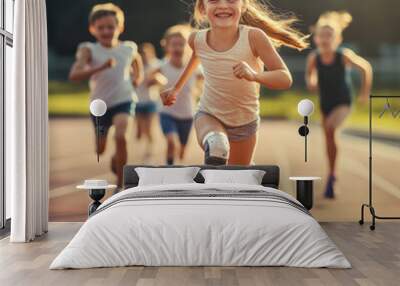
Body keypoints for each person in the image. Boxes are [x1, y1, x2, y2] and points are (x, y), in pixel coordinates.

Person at [160, 0, 308, 166]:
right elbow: (195, 60)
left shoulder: (254, 37)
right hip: (209, 115)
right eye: (214, 0)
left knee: (236, 178)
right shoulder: (196, 39)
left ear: (243, 5)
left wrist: (254, 75)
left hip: (244, 123)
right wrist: (175, 89)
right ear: (203, 7)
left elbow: (284, 78)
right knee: (217, 146)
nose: (223, 5)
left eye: (231, 0)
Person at [69, 3, 144, 188]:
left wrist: (138, 77)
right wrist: (100, 67)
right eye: (101, 27)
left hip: (123, 100)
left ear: (120, 27)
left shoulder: (128, 48)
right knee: (100, 149)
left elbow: (137, 61)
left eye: (110, 27)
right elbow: (74, 75)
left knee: (121, 136)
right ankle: (116, 157)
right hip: (99, 105)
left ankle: (120, 185)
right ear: (92, 29)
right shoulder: (88, 49)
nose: (106, 31)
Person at [305, 11, 373, 198]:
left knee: (330, 127)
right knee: (328, 137)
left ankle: (333, 175)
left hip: (343, 102)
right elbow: (310, 74)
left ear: (337, 39)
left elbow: (366, 68)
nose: (325, 39)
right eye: (322, 35)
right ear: (316, 39)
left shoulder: (343, 55)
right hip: (325, 102)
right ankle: (332, 174)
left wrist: (364, 93)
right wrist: (311, 82)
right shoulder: (314, 58)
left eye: (330, 35)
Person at [153, 25, 203, 165]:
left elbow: (205, 79)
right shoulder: (162, 66)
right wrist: (155, 80)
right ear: (166, 46)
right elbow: (150, 78)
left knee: (182, 147)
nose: (177, 48)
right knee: (171, 142)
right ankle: (169, 167)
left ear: (188, 47)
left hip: (187, 114)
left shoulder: (193, 67)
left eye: (181, 44)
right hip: (166, 113)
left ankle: (181, 150)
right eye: (173, 44)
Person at [135, 43, 162, 159]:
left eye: (147, 54)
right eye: (143, 54)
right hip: (138, 101)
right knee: (141, 130)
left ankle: (149, 148)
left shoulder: (156, 65)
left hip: (151, 101)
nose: (145, 56)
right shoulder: (136, 66)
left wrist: (155, 81)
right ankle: (139, 130)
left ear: (151, 54)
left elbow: (163, 80)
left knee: (149, 128)